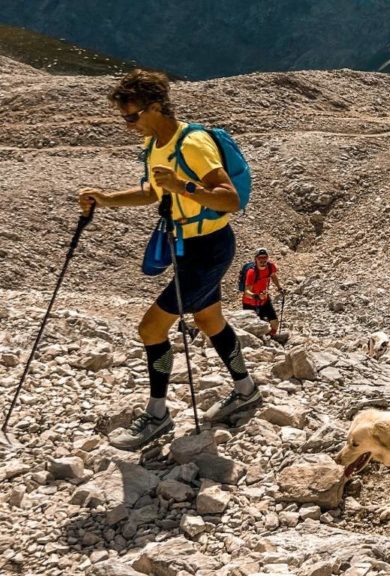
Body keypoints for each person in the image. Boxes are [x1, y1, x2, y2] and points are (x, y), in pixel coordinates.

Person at [77, 70, 260, 450]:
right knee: (209, 319)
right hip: (191, 247)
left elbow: (229, 199)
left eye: (132, 116)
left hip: (208, 247)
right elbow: (152, 192)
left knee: (150, 329)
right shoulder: (156, 145)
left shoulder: (191, 144)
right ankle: (246, 390)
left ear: (156, 106)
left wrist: (184, 187)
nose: (128, 125)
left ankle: (157, 415)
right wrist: (107, 199)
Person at [242, 248, 285, 336]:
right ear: (256, 259)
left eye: (264, 258)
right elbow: (247, 292)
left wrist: (279, 288)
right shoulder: (251, 272)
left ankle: (270, 340)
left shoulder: (270, 267)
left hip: (264, 300)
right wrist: (257, 296)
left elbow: (273, 275)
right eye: (260, 258)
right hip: (250, 303)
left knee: (275, 323)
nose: (263, 260)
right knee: (254, 328)